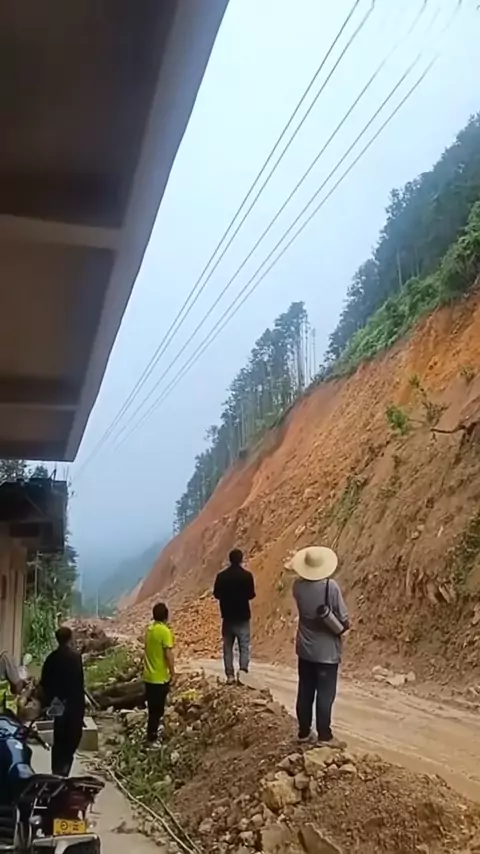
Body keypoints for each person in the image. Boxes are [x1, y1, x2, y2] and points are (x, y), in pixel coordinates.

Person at [290, 546, 349, 745]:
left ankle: (303, 732)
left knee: (305, 690)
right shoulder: (330, 587)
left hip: (305, 649)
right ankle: (325, 735)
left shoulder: (297, 586)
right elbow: (343, 618)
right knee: (325, 694)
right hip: (327, 652)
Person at [39, 626, 85, 776]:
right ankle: (64, 770)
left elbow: (44, 684)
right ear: (70, 638)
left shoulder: (51, 658)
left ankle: (57, 771)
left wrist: (48, 703)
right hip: (74, 705)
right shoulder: (75, 658)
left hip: (58, 705)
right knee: (72, 739)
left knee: (59, 739)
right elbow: (79, 684)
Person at [213, 548, 255, 684]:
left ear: (229, 560)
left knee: (227, 648)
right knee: (244, 646)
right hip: (243, 616)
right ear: (241, 559)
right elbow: (251, 595)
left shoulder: (221, 576)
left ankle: (230, 675)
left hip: (227, 617)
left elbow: (216, 594)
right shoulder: (247, 576)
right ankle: (243, 673)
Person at [144, 602, 175, 743]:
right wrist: (173, 672)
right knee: (158, 711)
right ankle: (152, 739)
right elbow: (168, 655)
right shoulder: (165, 631)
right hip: (159, 677)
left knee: (152, 710)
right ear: (166, 616)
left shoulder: (149, 629)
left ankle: (151, 735)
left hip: (148, 676)